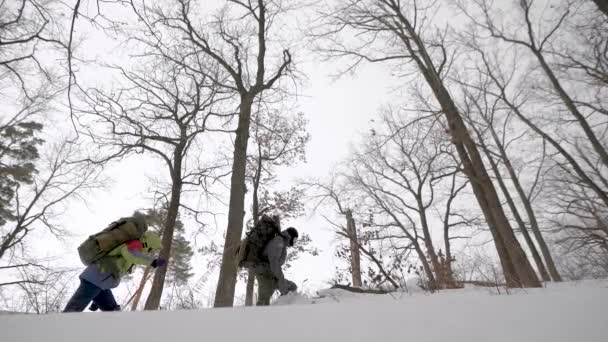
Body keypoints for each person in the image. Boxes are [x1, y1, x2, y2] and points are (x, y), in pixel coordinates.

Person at [63, 230, 166, 312]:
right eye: (151, 249)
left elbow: (113, 270)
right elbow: (131, 254)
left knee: (113, 314)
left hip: (100, 284)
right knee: (72, 311)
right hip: (95, 279)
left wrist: (96, 300)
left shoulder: (136, 247)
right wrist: (152, 261)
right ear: (149, 244)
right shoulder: (136, 244)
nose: (150, 252)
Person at [252, 227, 299, 306]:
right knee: (264, 301)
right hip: (263, 273)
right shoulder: (278, 241)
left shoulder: (282, 244)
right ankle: (258, 316)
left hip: (271, 273)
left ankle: (280, 307)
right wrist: (281, 282)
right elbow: (274, 264)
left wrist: (281, 281)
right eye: (294, 240)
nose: (293, 243)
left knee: (292, 287)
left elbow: (276, 265)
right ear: (290, 237)